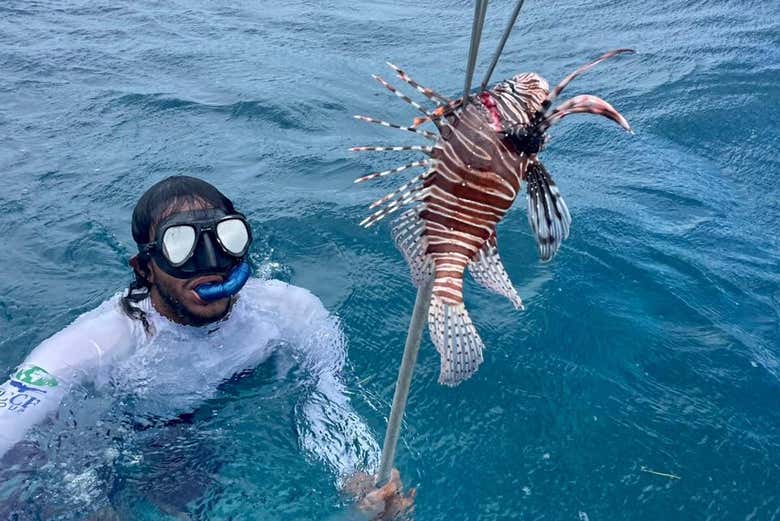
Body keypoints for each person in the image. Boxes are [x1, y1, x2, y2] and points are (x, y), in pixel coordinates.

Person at [0, 176, 413, 519]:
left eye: (224, 238)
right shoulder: (105, 339)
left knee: (193, 500)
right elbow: (20, 403)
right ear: (145, 267)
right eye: (181, 246)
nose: (210, 262)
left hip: (209, 434)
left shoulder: (290, 310)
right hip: (122, 430)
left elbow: (326, 394)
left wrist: (355, 474)